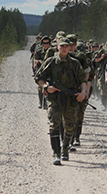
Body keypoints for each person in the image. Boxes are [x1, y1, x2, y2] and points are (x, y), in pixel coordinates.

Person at [36, 37, 89, 165]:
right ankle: (56, 153)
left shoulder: (75, 63)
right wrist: (46, 87)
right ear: (58, 47)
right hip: (55, 99)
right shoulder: (51, 62)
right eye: (62, 46)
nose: (64, 48)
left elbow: (83, 80)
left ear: (70, 47)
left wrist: (83, 92)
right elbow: (39, 77)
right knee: (54, 123)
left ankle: (65, 148)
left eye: (67, 46)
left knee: (70, 125)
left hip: (71, 99)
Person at [94, 40, 107, 111]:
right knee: (103, 89)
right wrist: (101, 58)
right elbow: (96, 59)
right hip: (102, 71)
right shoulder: (102, 51)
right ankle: (104, 105)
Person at [33, 36, 51, 109]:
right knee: (41, 87)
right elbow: (35, 60)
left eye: (47, 43)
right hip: (41, 70)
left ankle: (45, 102)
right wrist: (39, 61)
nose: (46, 44)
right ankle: (40, 101)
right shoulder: (39, 51)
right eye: (44, 43)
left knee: (48, 86)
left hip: (49, 70)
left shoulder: (51, 51)